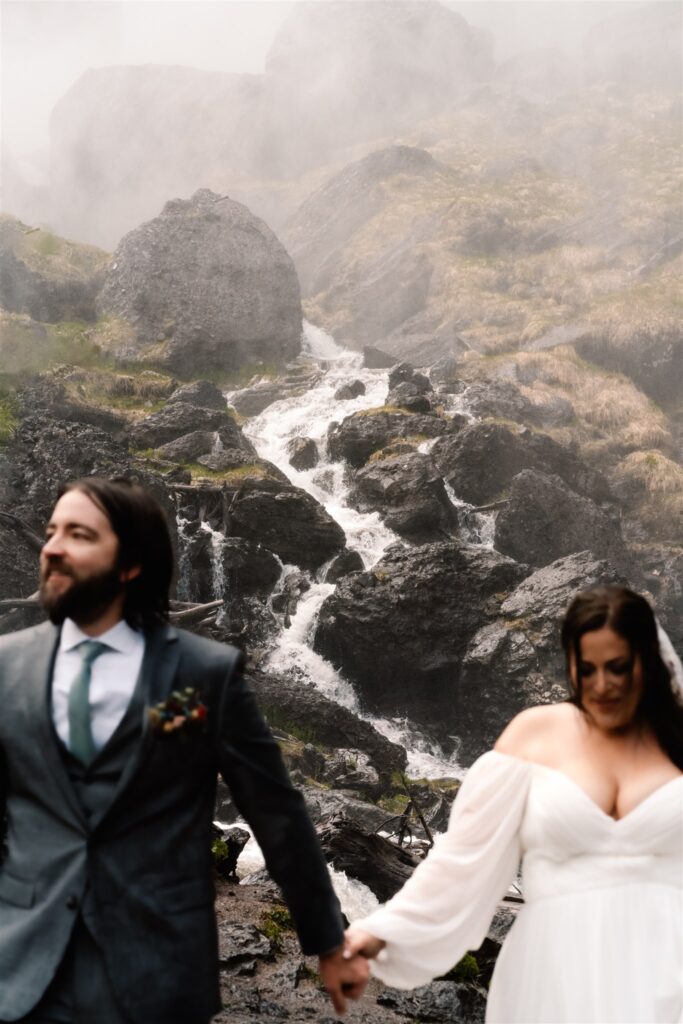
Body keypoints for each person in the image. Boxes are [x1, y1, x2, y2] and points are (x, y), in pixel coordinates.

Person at [0, 477, 369, 1024]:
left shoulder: (204, 674)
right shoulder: (6, 663)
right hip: (23, 966)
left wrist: (328, 940)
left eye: (78, 534)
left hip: (156, 969)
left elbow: (276, 811)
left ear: (131, 565)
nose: (52, 547)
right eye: (52, 532)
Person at [345, 585, 683, 1023]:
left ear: (647, 664)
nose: (602, 685)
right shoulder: (535, 734)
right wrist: (380, 933)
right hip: (552, 975)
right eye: (587, 669)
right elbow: (463, 859)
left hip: (667, 973)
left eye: (618, 668)